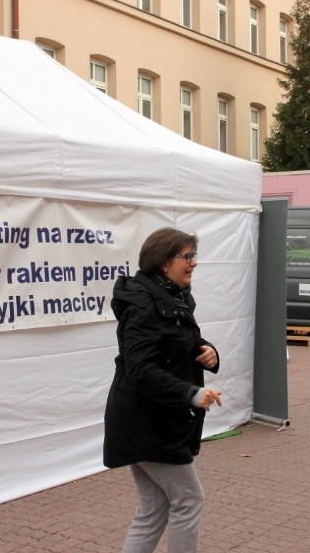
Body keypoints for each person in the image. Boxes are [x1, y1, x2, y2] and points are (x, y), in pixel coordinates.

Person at [103, 227, 222, 553]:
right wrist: (192, 394)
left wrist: (207, 351)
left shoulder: (172, 297)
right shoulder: (144, 304)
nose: (193, 263)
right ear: (163, 261)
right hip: (145, 423)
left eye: (193, 255)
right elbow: (141, 369)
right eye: (187, 256)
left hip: (148, 421)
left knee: (154, 509)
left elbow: (175, 346)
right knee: (188, 500)